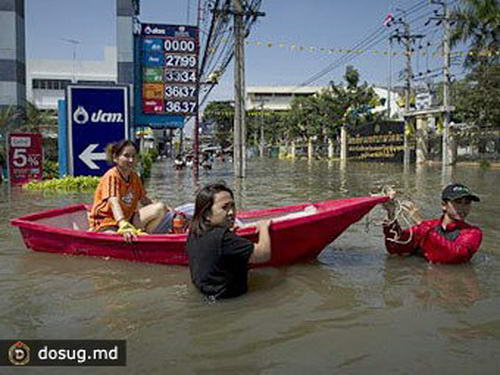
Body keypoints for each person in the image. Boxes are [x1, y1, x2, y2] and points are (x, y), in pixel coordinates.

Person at [186, 183, 272, 300]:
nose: (231, 212)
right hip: (231, 301)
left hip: (206, 295)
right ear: (207, 214)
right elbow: (264, 254)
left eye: (232, 206)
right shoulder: (225, 239)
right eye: (224, 207)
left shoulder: (194, 232)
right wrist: (263, 228)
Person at [88, 140, 169, 243]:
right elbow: (114, 202)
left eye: (134, 156)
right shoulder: (112, 176)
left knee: (160, 208)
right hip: (106, 222)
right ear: (115, 158)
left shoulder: (134, 176)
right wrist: (122, 223)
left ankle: (147, 239)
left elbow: (144, 200)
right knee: (117, 240)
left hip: (128, 219)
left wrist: (168, 211)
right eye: (126, 156)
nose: (131, 160)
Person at [382, 183, 482, 264]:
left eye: (467, 203)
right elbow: (395, 247)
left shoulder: (473, 232)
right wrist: (391, 214)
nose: (462, 207)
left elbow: (456, 256)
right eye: (458, 202)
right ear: (444, 205)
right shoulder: (429, 226)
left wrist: (419, 222)